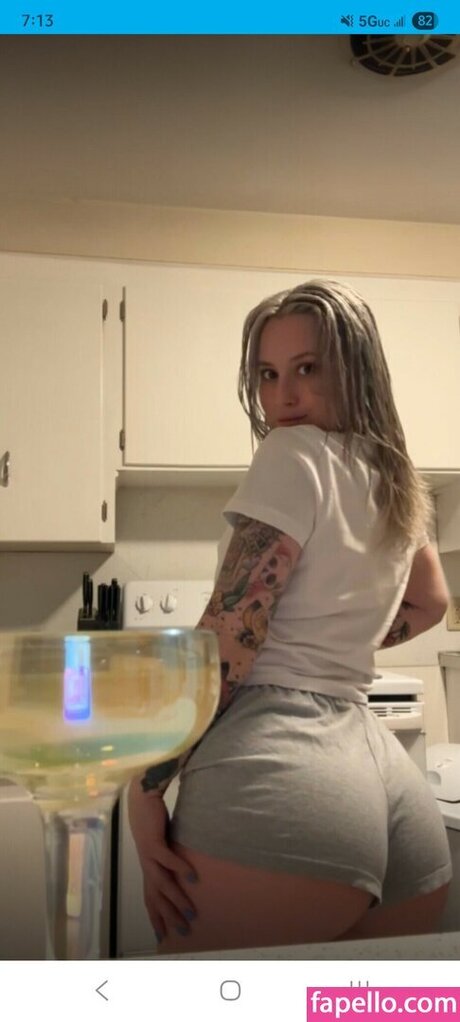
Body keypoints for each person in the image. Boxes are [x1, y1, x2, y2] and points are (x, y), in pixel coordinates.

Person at [128, 278, 452, 955]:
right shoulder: (395, 476)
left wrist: (147, 783)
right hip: (390, 789)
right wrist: (340, 635)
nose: (284, 396)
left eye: (308, 368)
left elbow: (230, 636)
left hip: (282, 773)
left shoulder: (290, 454)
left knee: (204, 1000)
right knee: (353, 999)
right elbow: (430, 603)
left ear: (357, 371)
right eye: (268, 375)